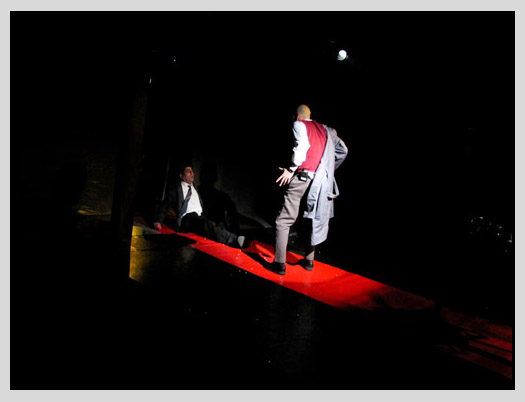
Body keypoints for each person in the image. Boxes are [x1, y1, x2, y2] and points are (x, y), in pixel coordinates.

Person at [269, 104, 348, 275]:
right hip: (321, 181)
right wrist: (327, 169)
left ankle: (279, 264)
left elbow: (302, 147)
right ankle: (309, 261)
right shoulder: (326, 129)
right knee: (313, 218)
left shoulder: (299, 124)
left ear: (297, 116)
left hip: (303, 177)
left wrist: (291, 169)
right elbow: (343, 150)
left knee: (284, 219)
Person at [153, 165, 246, 248]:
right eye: (188, 171)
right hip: (187, 218)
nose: (192, 173)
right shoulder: (175, 189)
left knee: (209, 223)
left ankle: (226, 236)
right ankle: (233, 239)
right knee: (204, 223)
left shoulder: (195, 188)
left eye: (192, 171)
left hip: (200, 216)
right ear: (181, 176)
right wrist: (158, 221)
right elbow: (165, 205)